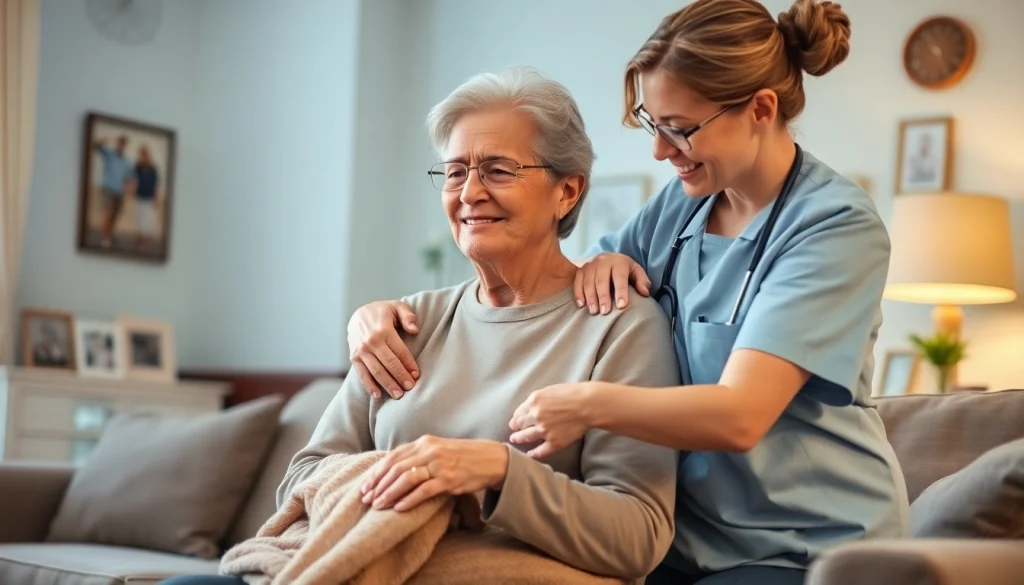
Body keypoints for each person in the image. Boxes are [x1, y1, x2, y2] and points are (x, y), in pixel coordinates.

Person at [346, 1, 910, 584]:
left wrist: (586, 404)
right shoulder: (682, 206)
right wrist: (375, 315)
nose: (660, 151)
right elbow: (564, 279)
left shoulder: (833, 227)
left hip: (808, 544)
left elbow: (741, 416)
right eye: (651, 124)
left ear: (761, 110)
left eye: (680, 128)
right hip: (687, 544)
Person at [159, 67, 680, 585]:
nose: (469, 192)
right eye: (454, 172)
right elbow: (300, 480)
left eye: (498, 171)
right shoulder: (407, 322)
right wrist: (412, 485)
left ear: (566, 191)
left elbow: (638, 534)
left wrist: (497, 472)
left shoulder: (620, 326)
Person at [93, 135, 133, 248]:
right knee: (108, 213)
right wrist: (102, 140)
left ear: (125, 145)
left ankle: (110, 234)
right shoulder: (109, 154)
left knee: (116, 214)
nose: (121, 145)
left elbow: (128, 177)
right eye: (120, 143)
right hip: (108, 189)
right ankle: (104, 238)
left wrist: (130, 189)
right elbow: (95, 146)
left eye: (123, 144)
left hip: (119, 192)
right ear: (117, 143)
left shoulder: (126, 161)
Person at [130, 145, 161, 249]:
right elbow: (133, 179)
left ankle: (145, 240)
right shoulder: (137, 167)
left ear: (148, 155)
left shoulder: (153, 169)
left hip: (149, 198)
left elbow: (155, 185)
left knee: (148, 220)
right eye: (141, 155)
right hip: (139, 197)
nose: (143, 157)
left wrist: (156, 199)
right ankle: (140, 237)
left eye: (145, 154)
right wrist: (132, 189)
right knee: (139, 218)